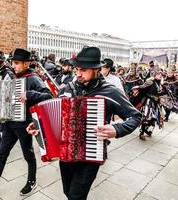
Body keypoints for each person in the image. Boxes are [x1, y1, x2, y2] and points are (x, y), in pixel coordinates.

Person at [27, 46, 142, 200]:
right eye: (77, 69)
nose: (78, 74)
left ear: (97, 69)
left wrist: (117, 129)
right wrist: (39, 126)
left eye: (83, 70)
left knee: (75, 196)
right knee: (68, 192)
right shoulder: (67, 89)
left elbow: (135, 116)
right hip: (66, 153)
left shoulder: (110, 91)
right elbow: (56, 117)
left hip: (90, 156)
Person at [0, 48, 53, 198]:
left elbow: (49, 96)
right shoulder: (11, 77)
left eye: (16, 63)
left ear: (27, 63)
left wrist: (30, 94)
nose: (13, 66)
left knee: (28, 155)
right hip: (9, 123)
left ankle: (31, 180)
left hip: (24, 125)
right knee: (1, 155)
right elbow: (4, 97)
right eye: (12, 63)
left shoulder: (33, 78)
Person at [133, 68, 166, 140]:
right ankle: (141, 133)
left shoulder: (160, 83)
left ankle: (148, 130)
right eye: (158, 74)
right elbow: (142, 89)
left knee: (154, 118)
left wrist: (164, 93)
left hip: (156, 103)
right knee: (146, 117)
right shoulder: (150, 81)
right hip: (148, 102)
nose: (160, 76)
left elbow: (160, 93)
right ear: (154, 75)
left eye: (161, 74)